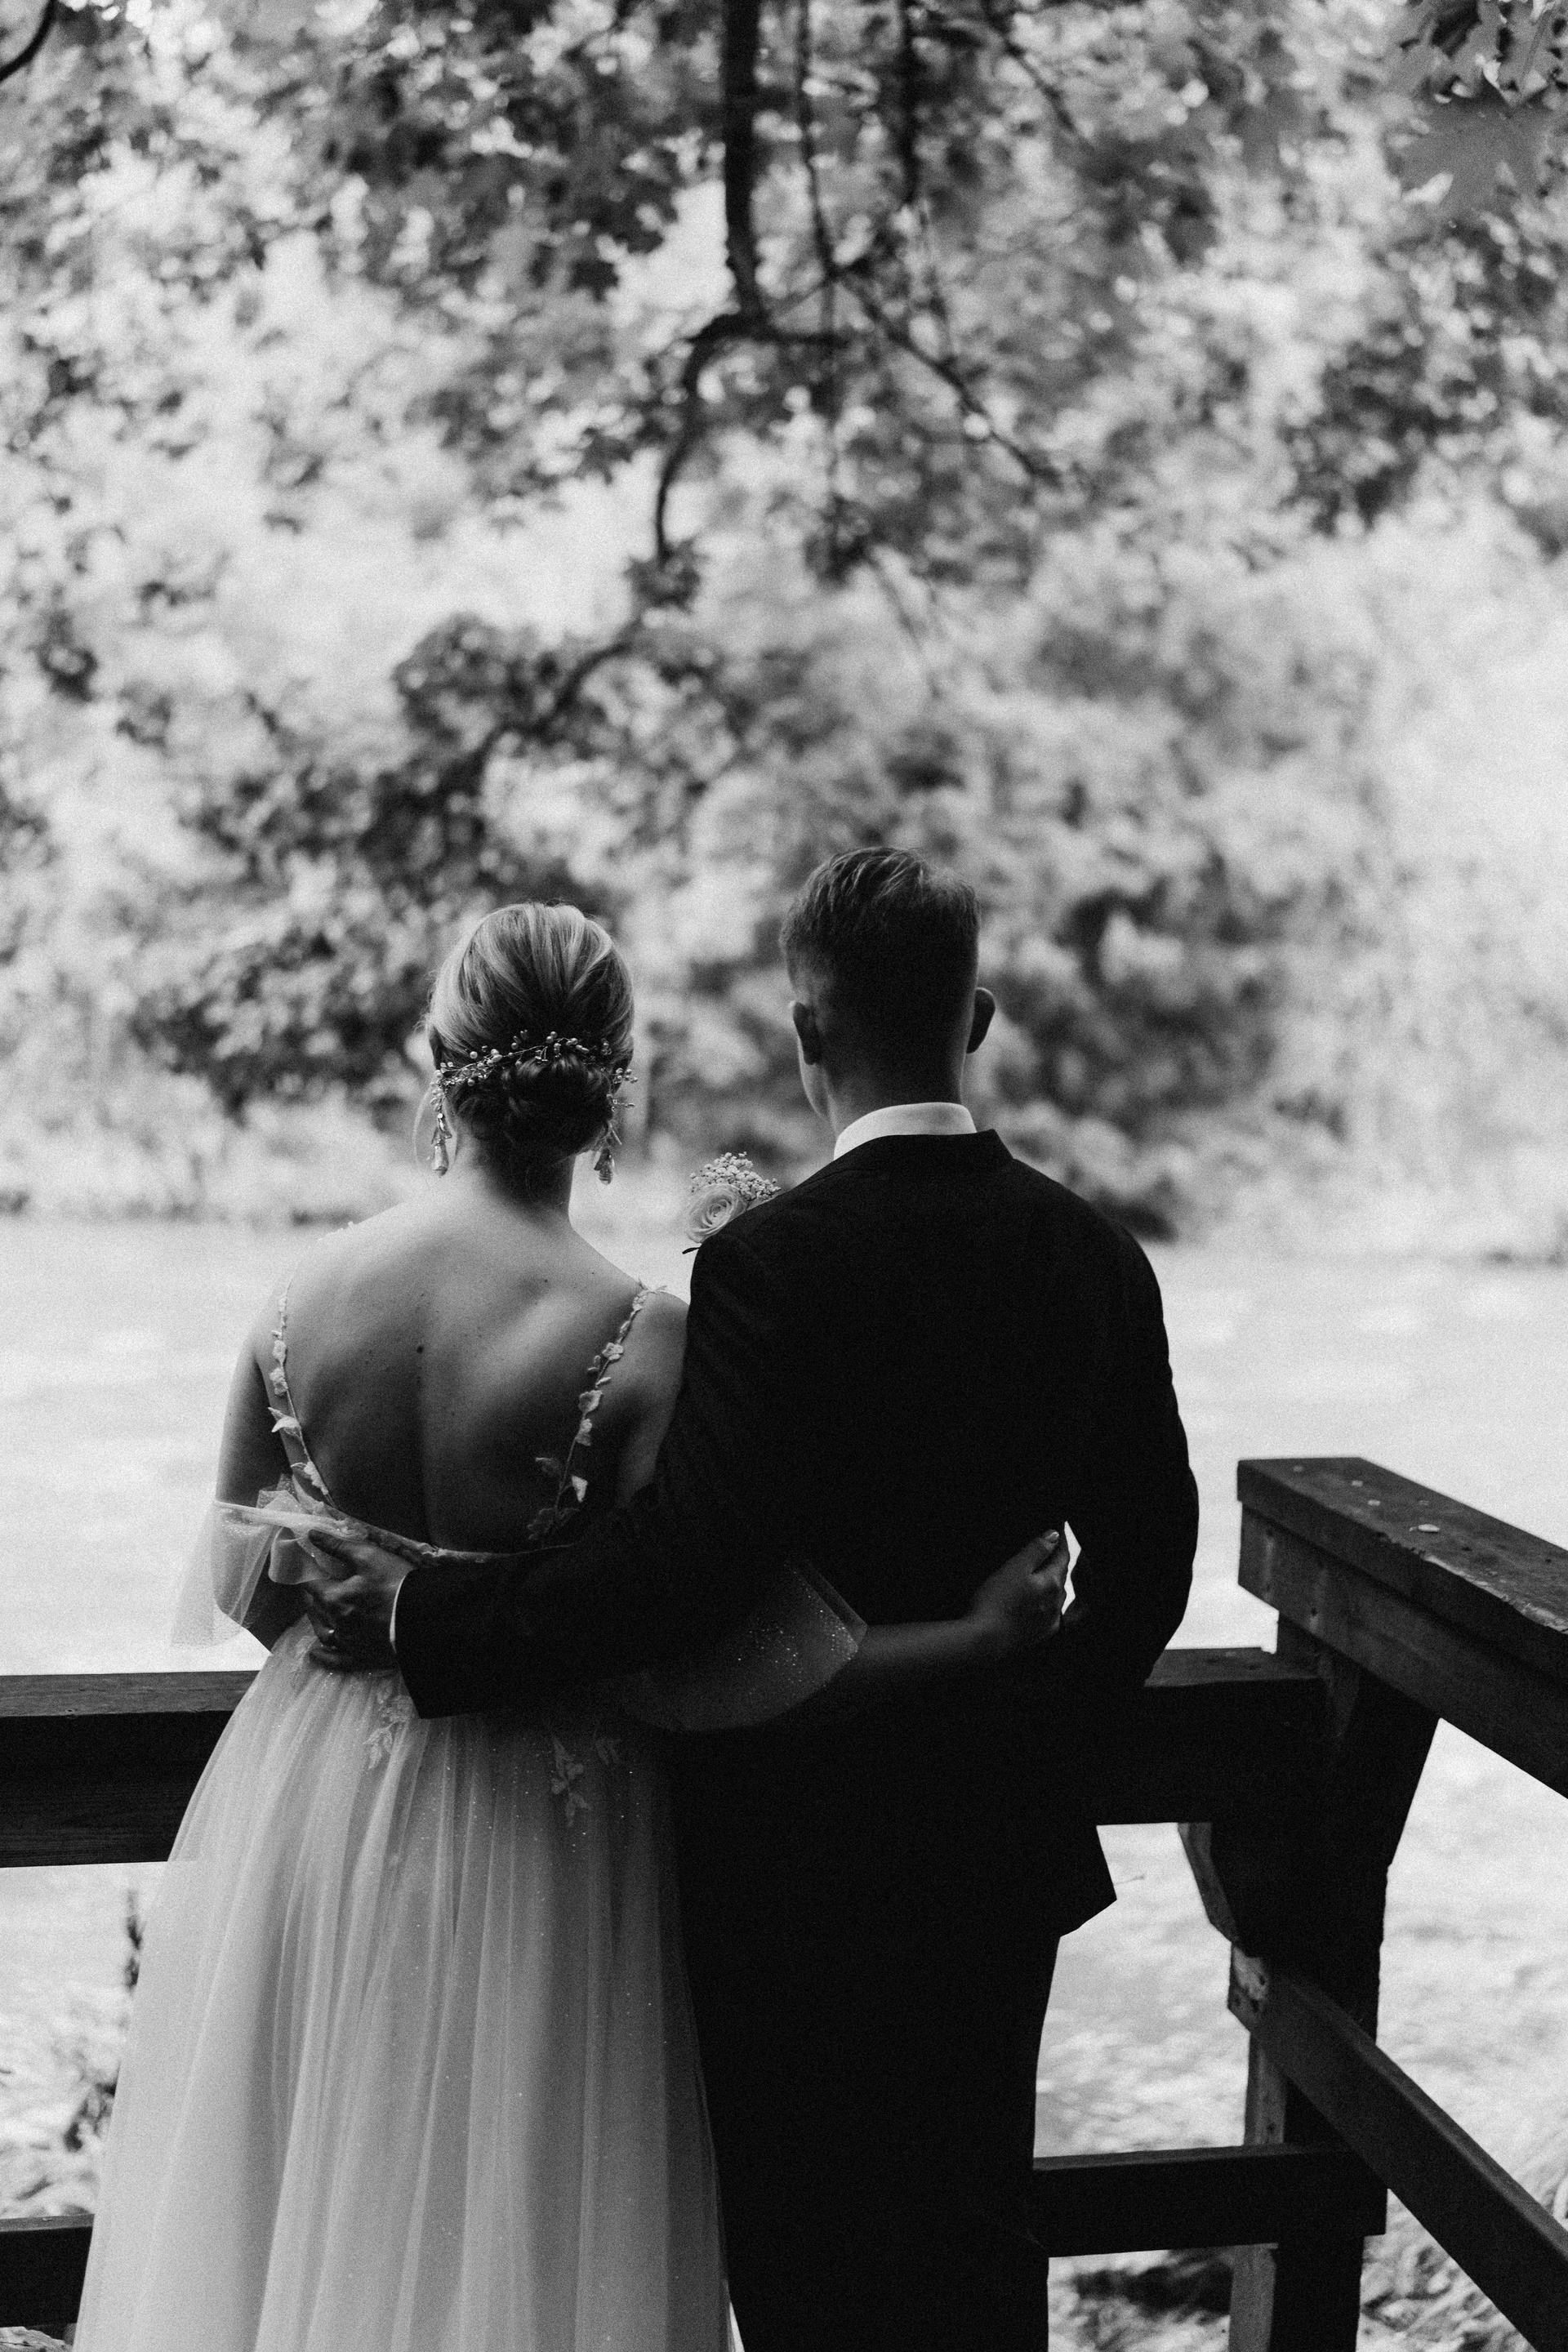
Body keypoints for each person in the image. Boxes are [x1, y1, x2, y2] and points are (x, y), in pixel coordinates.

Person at [70, 898, 1069, 2352]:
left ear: (439, 1061)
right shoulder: (640, 1336)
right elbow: (705, 1652)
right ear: (614, 1085)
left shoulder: (301, 1298)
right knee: (519, 2233)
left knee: (315, 2210)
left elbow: (238, 1575)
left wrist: (371, 1614)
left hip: (311, 1808)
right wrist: (970, 1641)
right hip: (545, 1838)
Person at [310, 849, 1200, 2352]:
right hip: (997, 1854)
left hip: (789, 1861)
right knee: (978, 2239)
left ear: (803, 1031)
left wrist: (427, 1620)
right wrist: (1025, 1729)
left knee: (800, 2266)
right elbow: (1155, 1567)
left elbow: (686, 1575)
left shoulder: (774, 1267)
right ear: (979, 1016)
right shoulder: (1096, 1259)